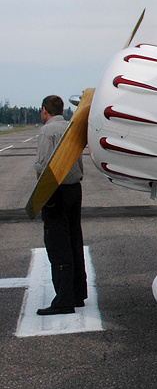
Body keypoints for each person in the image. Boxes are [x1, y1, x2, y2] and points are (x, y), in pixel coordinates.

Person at [34, 95, 87, 315]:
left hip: (56, 191)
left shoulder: (47, 131)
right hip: (75, 189)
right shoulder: (71, 127)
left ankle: (63, 300)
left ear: (45, 110)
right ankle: (77, 293)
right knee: (74, 239)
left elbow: (43, 164)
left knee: (57, 243)